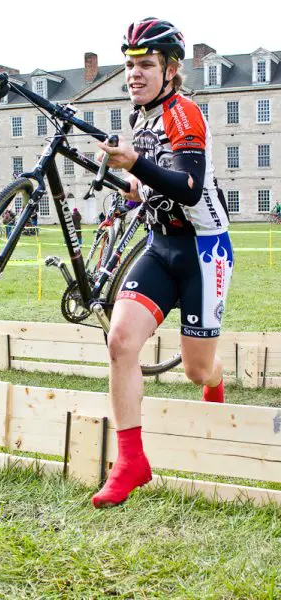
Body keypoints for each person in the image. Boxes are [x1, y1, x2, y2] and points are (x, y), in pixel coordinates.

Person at [91, 17, 233, 509]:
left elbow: (189, 187)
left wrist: (136, 164)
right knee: (120, 340)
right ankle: (131, 462)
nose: (135, 74)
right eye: (130, 65)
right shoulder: (139, 118)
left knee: (196, 370)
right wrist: (125, 184)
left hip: (203, 251)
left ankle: (216, 381)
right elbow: (149, 188)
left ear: (170, 70)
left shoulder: (184, 112)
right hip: (159, 245)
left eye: (146, 65)